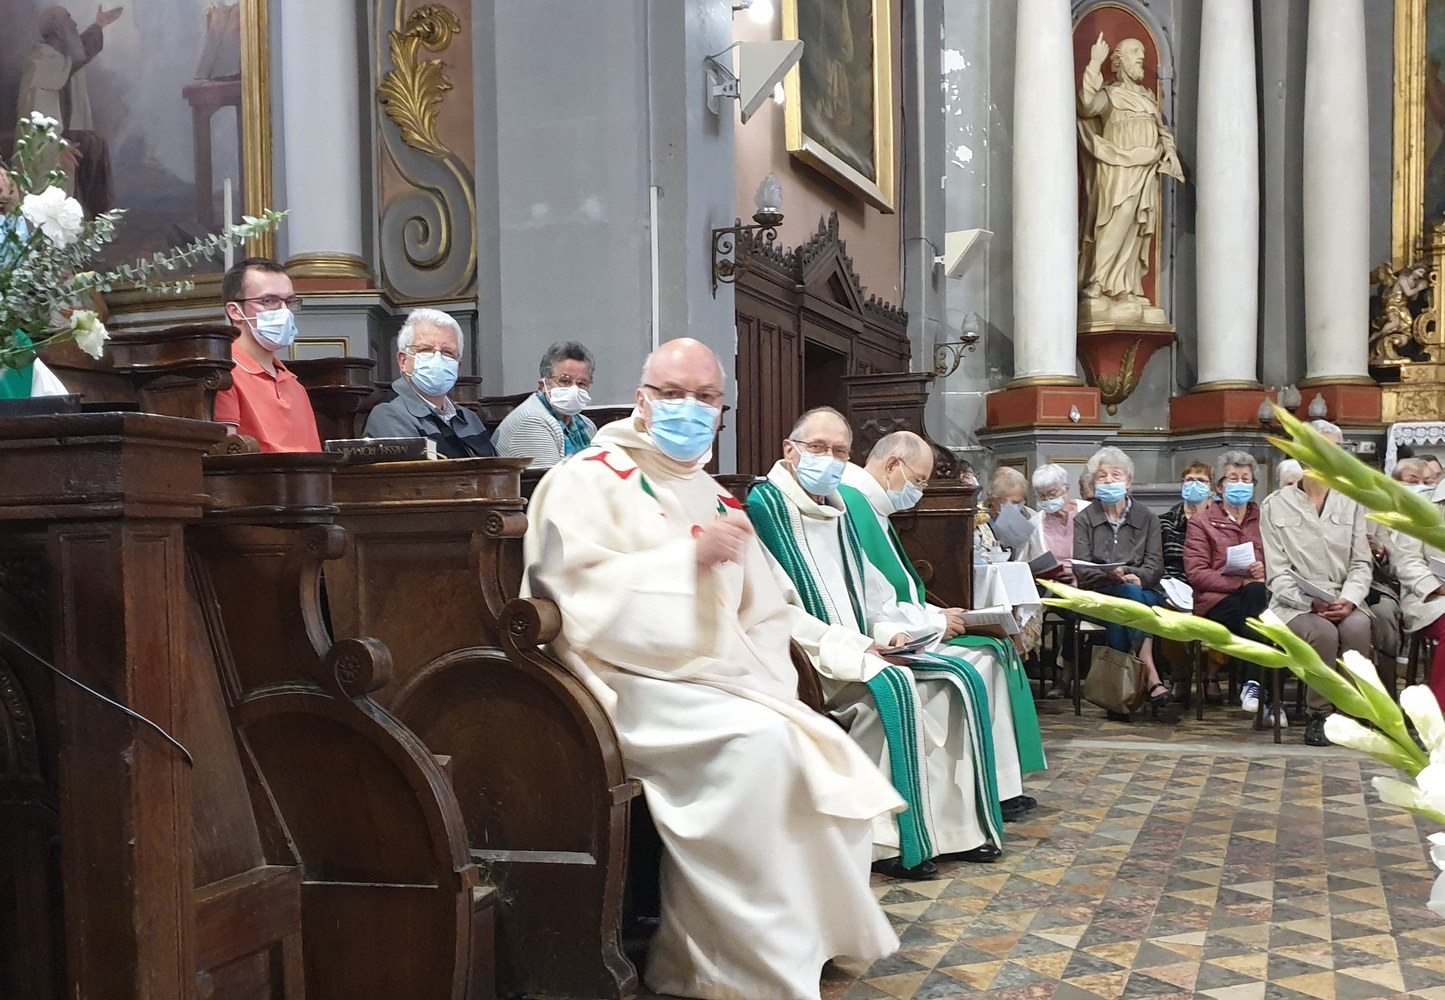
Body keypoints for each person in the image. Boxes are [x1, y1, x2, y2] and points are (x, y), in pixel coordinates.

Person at [521, 339, 901, 999]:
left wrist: (759, 678)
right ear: (642, 400)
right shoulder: (584, 478)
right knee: (761, 748)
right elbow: (573, 595)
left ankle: (810, 941)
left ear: (722, 409)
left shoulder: (714, 495)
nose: (688, 409)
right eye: (672, 394)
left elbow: (766, 613)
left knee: (815, 746)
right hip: (623, 680)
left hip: (716, 680)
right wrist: (683, 565)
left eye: (705, 398)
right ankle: (726, 969)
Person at [748, 408, 1011, 881]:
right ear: (790, 450)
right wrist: (850, 646)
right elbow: (773, 609)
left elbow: (872, 595)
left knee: (955, 682)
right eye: (817, 448)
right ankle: (884, 841)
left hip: (860, 648)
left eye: (839, 452)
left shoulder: (838, 510)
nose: (829, 459)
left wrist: (891, 634)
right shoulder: (764, 509)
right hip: (811, 657)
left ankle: (954, 832)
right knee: (892, 690)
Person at [840, 431, 1046, 816]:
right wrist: (936, 621)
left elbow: (893, 590)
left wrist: (936, 616)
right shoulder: (853, 504)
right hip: (881, 638)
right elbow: (870, 601)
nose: (919, 491)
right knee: (980, 662)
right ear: (892, 465)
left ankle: (1000, 785)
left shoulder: (872, 505)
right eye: (919, 480)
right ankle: (973, 796)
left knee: (995, 650)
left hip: (908, 623)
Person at [1260, 419, 1377, 747]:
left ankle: (1352, 712)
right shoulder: (1275, 504)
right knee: (1323, 633)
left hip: (1344, 595)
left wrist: (1350, 599)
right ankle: (1320, 715)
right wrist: (1310, 602)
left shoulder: (1351, 501)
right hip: (1294, 603)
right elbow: (1277, 573)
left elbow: (1361, 562)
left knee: (1357, 628)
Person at [1077, 33, 1184, 324]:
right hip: (1118, 168)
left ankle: (1124, 288)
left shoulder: (1147, 98)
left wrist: (1169, 151)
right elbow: (1086, 104)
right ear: (1119, 61)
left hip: (1146, 170)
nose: (1141, 57)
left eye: (1142, 53)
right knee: (1116, 220)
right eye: (1135, 52)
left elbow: (1162, 131)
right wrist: (1094, 63)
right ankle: (1097, 282)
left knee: (1136, 229)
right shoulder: (1111, 95)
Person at [1072, 446, 1172, 712]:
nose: (1108, 481)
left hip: (1144, 591)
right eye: (1102, 476)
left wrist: (1134, 576)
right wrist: (1111, 575)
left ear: (1128, 482)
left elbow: (1155, 566)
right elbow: (1081, 569)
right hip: (1099, 593)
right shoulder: (1084, 519)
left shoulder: (1148, 518)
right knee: (1127, 601)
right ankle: (1150, 675)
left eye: (1116, 475)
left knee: (1128, 600)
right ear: (1094, 484)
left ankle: (1122, 695)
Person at [1183, 452, 1271, 719]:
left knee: (1256, 598)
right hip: (1216, 600)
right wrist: (1239, 581)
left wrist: (1265, 569)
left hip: (1259, 595)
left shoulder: (1265, 519)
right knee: (1264, 625)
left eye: (1246, 479)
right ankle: (1259, 685)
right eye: (1233, 478)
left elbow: (1282, 559)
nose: (1240, 484)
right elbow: (1196, 573)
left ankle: (1254, 685)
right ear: (1220, 487)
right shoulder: (1201, 522)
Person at [16, 5, 122, 216]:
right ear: (56, 27)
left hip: (63, 140)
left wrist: (99, 25)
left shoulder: (60, 62)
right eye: (68, 18)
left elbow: (79, 57)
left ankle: (91, 218)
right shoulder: (41, 64)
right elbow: (35, 120)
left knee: (95, 146)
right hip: (47, 148)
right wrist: (55, 149)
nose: (74, 23)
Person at [213, 257, 321, 453]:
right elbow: (227, 458)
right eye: (269, 301)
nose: (284, 311)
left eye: (289, 301)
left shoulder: (294, 385)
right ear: (235, 311)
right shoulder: (223, 375)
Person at [362, 308, 495, 457]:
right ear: (403, 361)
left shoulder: (469, 418)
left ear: (458, 366)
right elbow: (417, 472)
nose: (437, 359)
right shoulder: (389, 416)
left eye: (447, 352)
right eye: (425, 350)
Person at [1021, 464, 1088, 699]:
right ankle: (1036, 669)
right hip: (1052, 585)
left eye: (1052, 494)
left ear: (1066, 489)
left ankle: (1066, 675)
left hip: (1088, 582)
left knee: (1076, 609)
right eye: (1041, 496)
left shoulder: (1088, 512)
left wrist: (1079, 577)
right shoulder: (1035, 523)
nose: (1047, 500)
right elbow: (1027, 561)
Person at [493, 342, 599, 468]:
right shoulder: (532, 422)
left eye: (581, 383)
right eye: (565, 381)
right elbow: (552, 479)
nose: (574, 389)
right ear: (543, 384)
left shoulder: (586, 425)